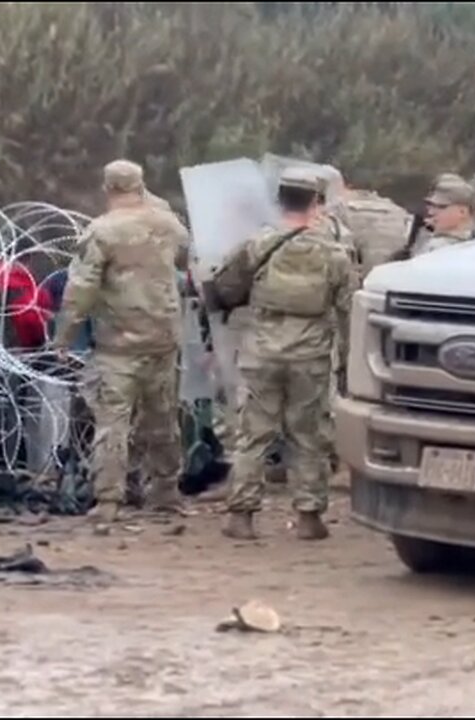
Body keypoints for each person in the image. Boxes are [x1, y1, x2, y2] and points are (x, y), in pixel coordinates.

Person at [218, 167, 357, 542]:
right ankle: (309, 517)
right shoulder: (336, 253)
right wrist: (347, 361)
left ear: (280, 201)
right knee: (308, 435)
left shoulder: (258, 244)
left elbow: (226, 284)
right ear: (316, 202)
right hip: (310, 352)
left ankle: (241, 515)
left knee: (254, 434)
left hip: (262, 348)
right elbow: (348, 310)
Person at [52, 159, 190, 523]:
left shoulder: (102, 231)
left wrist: (63, 337)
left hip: (118, 342)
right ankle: (165, 491)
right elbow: (186, 250)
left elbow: (81, 288)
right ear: (141, 186)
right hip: (163, 337)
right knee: (162, 419)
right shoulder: (167, 224)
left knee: (113, 422)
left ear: (107, 188)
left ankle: (109, 500)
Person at [414, 174, 475, 257]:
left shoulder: (439, 247)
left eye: (441, 207)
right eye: (431, 205)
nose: (431, 212)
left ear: (462, 212)